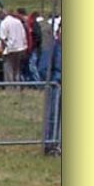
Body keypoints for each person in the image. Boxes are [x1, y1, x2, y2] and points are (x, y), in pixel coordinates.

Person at [38, 23, 61, 156]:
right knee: (53, 116)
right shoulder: (53, 48)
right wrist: (55, 80)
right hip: (56, 88)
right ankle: (50, 144)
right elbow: (43, 69)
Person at [0, 9, 27, 84]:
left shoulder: (4, 23)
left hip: (10, 49)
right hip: (20, 48)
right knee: (17, 69)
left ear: (3, 14)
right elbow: (23, 35)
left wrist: (3, 50)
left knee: (8, 69)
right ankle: (17, 85)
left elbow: (3, 38)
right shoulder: (18, 22)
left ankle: (10, 86)